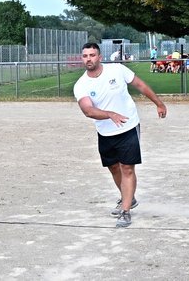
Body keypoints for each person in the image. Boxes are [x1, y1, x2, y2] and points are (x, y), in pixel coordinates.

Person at [72, 42, 168, 228]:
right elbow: (88, 110)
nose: (89, 59)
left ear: (100, 57)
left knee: (127, 168)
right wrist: (109, 114)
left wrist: (159, 103)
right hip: (105, 132)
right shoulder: (81, 85)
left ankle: (125, 211)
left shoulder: (117, 70)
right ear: (82, 59)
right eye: (85, 56)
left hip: (128, 126)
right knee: (114, 168)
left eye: (92, 55)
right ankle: (129, 198)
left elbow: (139, 85)